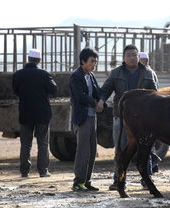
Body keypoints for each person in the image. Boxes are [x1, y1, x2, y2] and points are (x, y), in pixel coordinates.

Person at [97, 45, 159, 190]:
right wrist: (101, 101)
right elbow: (105, 90)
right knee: (120, 149)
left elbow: (155, 95)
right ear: (124, 58)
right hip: (121, 116)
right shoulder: (115, 73)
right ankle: (118, 180)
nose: (131, 57)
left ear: (138, 57)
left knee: (145, 148)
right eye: (128, 55)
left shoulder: (148, 73)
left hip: (143, 119)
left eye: (134, 55)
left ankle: (146, 179)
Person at [12, 49, 57, 178]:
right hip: (43, 114)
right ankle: (43, 171)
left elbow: (16, 91)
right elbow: (54, 89)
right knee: (43, 143)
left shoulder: (18, 75)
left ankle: (24, 171)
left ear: (28, 59)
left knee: (25, 143)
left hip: (25, 113)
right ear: (39, 60)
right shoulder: (44, 74)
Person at [69, 47, 102, 191]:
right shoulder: (76, 76)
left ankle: (87, 181)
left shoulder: (91, 75)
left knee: (92, 151)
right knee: (83, 151)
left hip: (92, 117)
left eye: (95, 61)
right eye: (92, 61)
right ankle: (78, 182)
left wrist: (101, 100)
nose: (94, 64)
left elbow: (98, 91)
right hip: (82, 119)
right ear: (83, 61)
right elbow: (79, 96)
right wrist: (95, 102)